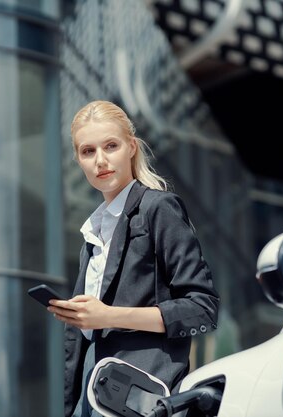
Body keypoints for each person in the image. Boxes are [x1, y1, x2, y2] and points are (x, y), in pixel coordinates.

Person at [48, 101, 220, 417]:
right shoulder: (94, 233)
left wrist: (109, 316)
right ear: (78, 160)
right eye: (88, 152)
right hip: (92, 394)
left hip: (139, 394)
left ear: (131, 147)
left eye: (110, 146)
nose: (100, 160)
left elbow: (202, 310)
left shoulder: (158, 209)